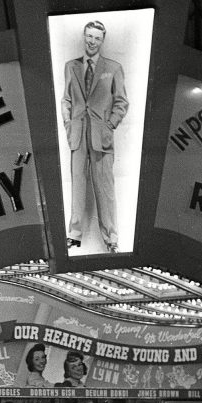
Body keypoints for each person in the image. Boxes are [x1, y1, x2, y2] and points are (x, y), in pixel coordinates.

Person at [60, 19, 128, 253]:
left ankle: (111, 239)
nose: (92, 41)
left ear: (102, 41)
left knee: (105, 189)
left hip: (102, 136)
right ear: (84, 36)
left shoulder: (113, 68)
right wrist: (68, 124)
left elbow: (121, 102)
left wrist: (110, 124)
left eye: (97, 38)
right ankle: (75, 235)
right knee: (77, 185)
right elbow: (66, 100)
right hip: (78, 135)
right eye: (89, 36)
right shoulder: (71, 66)